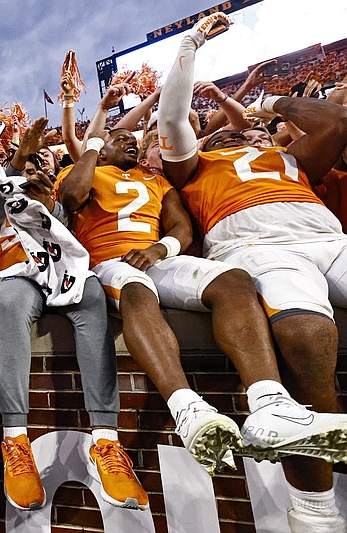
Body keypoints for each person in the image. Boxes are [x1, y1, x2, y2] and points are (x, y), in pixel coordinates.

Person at [156, 13, 347, 532]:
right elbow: (171, 118)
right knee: (306, 335)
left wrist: (269, 105)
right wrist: (191, 45)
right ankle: (316, 509)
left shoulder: (288, 159)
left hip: (329, 237)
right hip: (251, 244)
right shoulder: (192, 168)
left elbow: (334, 122)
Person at [0, 118, 148, 511]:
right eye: (20, 171)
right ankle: (15, 438)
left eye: (35, 171)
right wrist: (18, 161)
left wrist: (51, 206)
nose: (28, 175)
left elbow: (70, 234)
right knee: (9, 305)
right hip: (18, 273)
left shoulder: (57, 193)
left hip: (61, 271)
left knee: (91, 293)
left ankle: (106, 441)